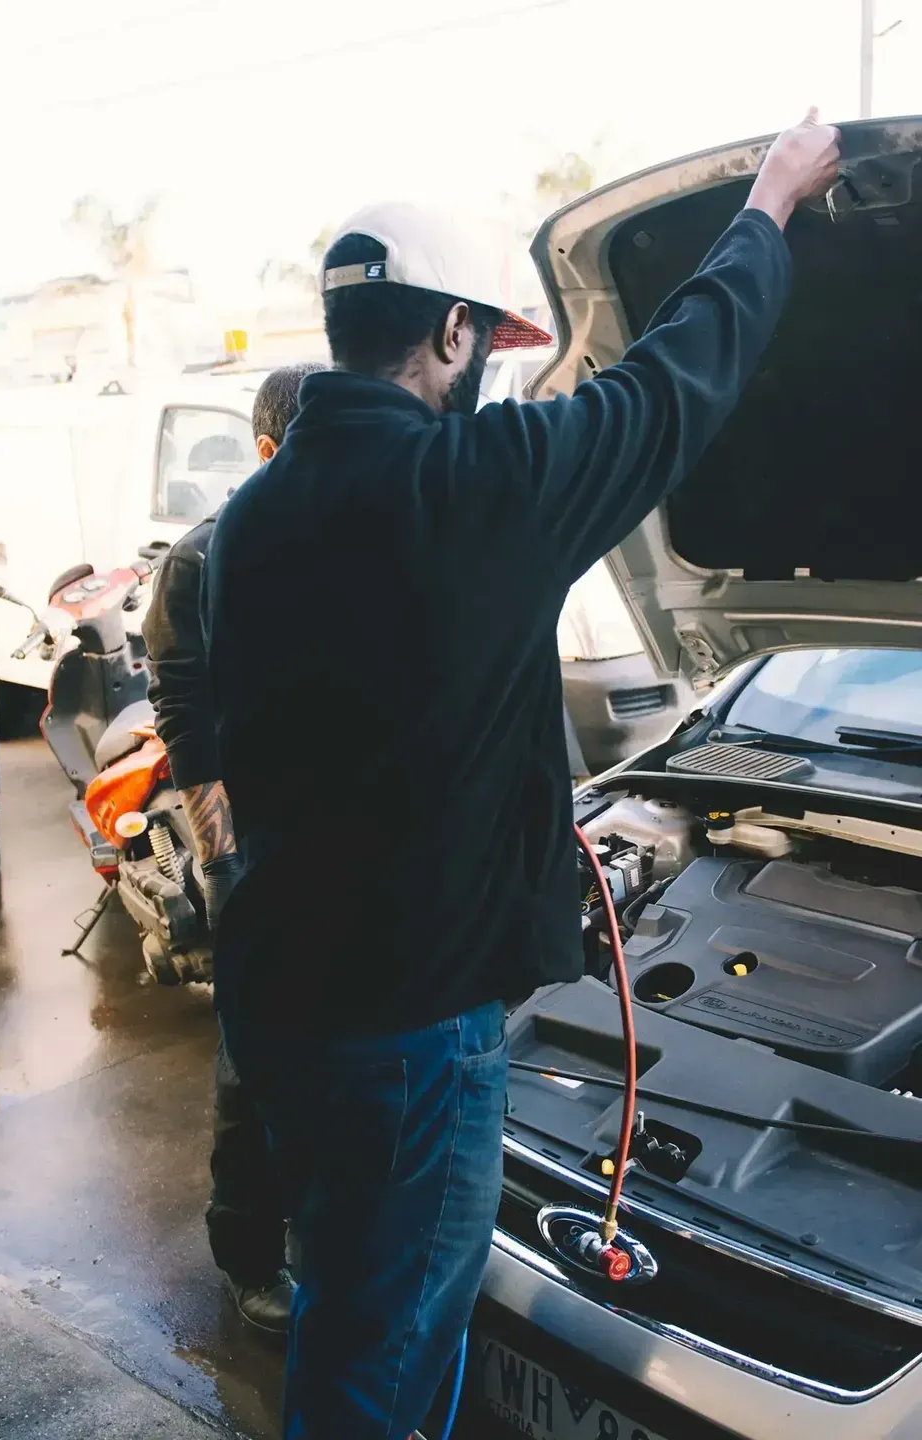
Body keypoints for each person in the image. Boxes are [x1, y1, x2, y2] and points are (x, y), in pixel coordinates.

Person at [203, 112, 839, 1438]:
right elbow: (677, 384)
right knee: (385, 1355)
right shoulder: (474, 488)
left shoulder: (259, 515)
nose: (487, 370)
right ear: (449, 339)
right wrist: (771, 201)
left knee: (349, 1303)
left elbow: (361, 732)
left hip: (286, 1000)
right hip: (406, 1028)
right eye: (484, 344)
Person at [142, 362, 325, 1334]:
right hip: (251, 852)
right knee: (253, 1065)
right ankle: (250, 1258)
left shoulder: (343, 544)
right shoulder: (201, 563)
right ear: (266, 453)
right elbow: (188, 722)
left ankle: (323, 1227)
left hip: (342, 849)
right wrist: (223, 865)